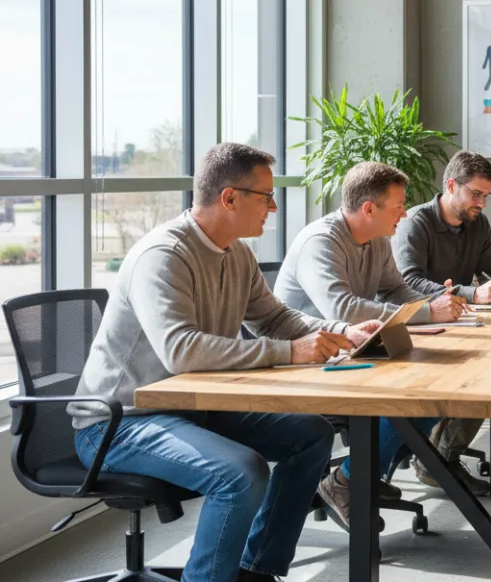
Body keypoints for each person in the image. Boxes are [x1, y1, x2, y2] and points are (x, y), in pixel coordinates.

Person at [71, 143, 384, 582]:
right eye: (265, 197)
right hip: (120, 422)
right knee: (241, 473)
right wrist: (289, 352)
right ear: (229, 198)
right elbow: (181, 351)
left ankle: (258, 570)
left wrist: (340, 331)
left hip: (191, 409)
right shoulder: (163, 256)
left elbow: (274, 318)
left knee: (311, 433)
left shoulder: (237, 253)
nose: (273, 207)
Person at [274, 161, 467, 528]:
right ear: (368, 209)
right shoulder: (321, 242)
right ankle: (348, 482)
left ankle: (359, 475)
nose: (405, 214)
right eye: (397, 207)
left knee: (434, 394)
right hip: (303, 359)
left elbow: (395, 289)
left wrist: (430, 306)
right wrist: (427, 315)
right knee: (405, 400)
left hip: (349, 350)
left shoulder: (376, 239)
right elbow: (342, 308)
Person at [393, 150, 491, 496]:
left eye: (486, 196)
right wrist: (473, 293)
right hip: (419, 327)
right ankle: (437, 459)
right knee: (480, 374)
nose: (482, 203)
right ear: (450, 186)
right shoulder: (416, 223)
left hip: (459, 324)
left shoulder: (478, 223)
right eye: (476, 194)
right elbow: (407, 284)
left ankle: (441, 454)